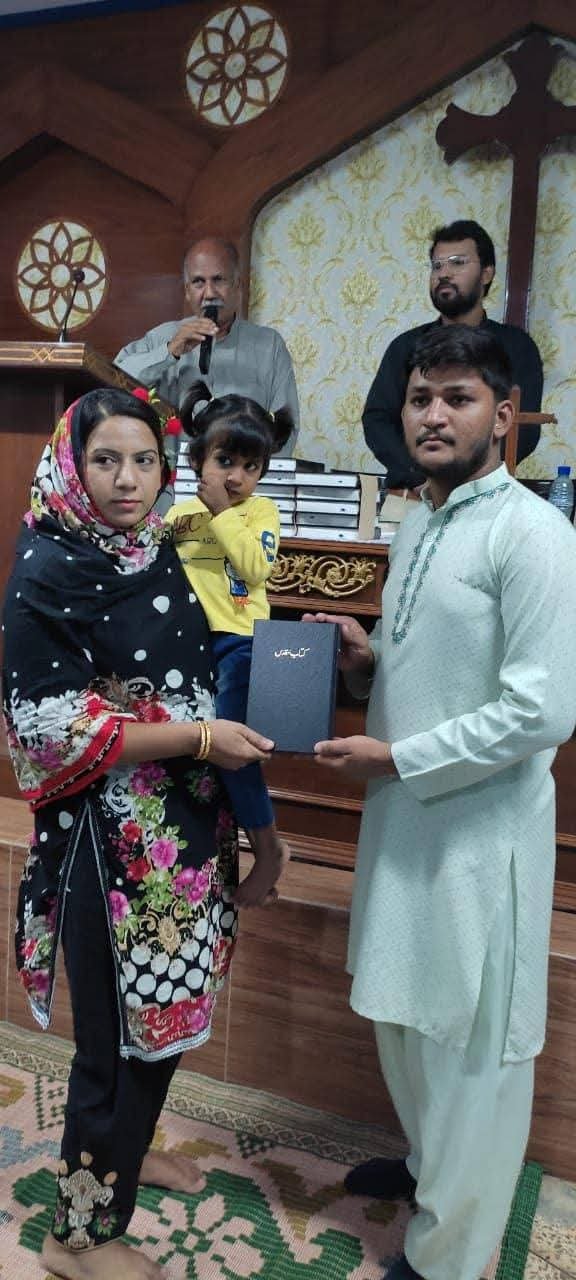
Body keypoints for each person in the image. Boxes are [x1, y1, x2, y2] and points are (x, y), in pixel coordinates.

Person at [305, 325, 576, 1280]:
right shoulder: (418, 521)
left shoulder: (535, 532)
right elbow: (448, 661)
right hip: (406, 817)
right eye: (421, 397)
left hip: (480, 837)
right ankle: (429, 1170)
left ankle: (451, 1257)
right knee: (405, 1014)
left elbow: (543, 708)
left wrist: (400, 755)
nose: (432, 414)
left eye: (457, 398)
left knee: (471, 1049)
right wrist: (371, 660)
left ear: (503, 417)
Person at [2, 386, 276, 1280]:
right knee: (110, 1045)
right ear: (72, 465)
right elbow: (49, 724)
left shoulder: (164, 549)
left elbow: (221, 663)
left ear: (168, 467)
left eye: (144, 460)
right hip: (106, 852)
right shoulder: (48, 564)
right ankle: (77, 1236)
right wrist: (196, 737)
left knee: (167, 1017)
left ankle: (123, 1161)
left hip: (185, 839)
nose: (127, 480)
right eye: (105, 460)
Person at [166, 380, 292, 908]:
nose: (236, 476)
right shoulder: (177, 516)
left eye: (250, 466)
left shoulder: (257, 514)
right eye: (225, 460)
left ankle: (268, 847)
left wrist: (220, 513)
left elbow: (255, 567)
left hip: (240, 644)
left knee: (234, 753)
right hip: (186, 646)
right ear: (198, 459)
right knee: (192, 750)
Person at [363, 219, 544, 487]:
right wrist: (422, 474)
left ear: (486, 273)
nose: (443, 273)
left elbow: (523, 428)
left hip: (486, 490)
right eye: (437, 265)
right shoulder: (406, 346)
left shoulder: (516, 347)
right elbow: (378, 420)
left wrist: (471, 477)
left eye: (457, 262)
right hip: (414, 490)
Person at [114, 236, 299, 456]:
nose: (209, 293)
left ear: (238, 285)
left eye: (219, 280)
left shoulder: (269, 345)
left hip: (242, 482)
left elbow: (285, 427)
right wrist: (169, 352)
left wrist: (255, 479)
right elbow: (114, 381)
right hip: (172, 482)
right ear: (187, 290)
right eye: (199, 282)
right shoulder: (162, 337)